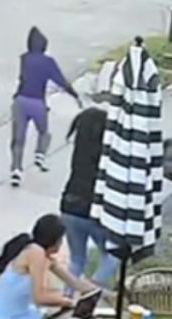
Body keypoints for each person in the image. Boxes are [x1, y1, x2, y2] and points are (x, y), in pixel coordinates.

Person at [10, 26, 80, 188]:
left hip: (20, 101)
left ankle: (16, 170)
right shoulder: (48, 62)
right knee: (44, 132)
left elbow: (22, 78)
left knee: (18, 139)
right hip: (37, 103)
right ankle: (40, 154)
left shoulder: (24, 59)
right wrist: (74, 94)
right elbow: (60, 81)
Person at [60, 107, 120, 291]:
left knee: (77, 259)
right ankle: (92, 288)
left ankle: (66, 299)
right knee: (113, 254)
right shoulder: (105, 155)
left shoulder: (80, 149)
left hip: (69, 206)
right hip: (92, 210)